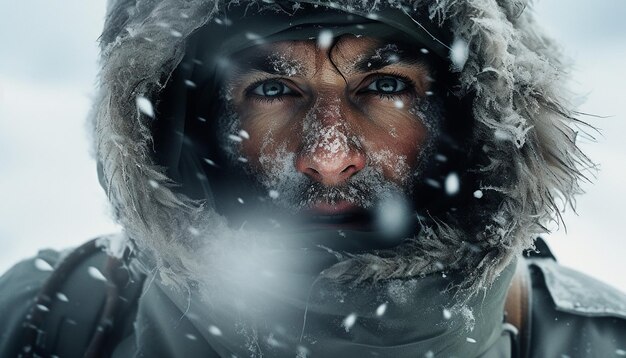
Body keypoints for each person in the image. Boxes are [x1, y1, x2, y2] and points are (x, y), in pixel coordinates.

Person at [1, 1, 625, 357]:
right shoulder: (48, 318)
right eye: (273, 89)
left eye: (385, 87)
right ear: (191, 123)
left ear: (467, 114)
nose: (328, 156)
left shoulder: (595, 343)